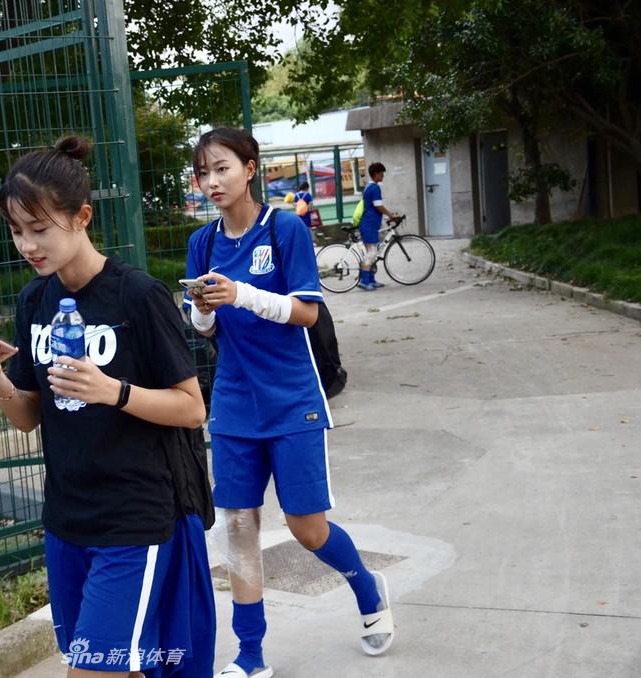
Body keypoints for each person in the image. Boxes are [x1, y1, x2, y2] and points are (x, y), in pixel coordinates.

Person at [0, 135, 216, 677]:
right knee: (118, 665)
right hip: (66, 521)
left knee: (92, 672)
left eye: (40, 229)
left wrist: (112, 390)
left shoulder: (137, 296)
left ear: (82, 217)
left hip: (133, 520)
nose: (27, 245)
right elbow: (27, 416)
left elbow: (191, 409)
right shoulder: (34, 300)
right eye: (17, 230)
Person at [183, 128, 394, 678]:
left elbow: (307, 312)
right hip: (232, 402)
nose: (212, 182)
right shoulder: (203, 242)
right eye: (203, 173)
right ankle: (249, 655)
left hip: (293, 398)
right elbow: (206, 329)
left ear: (250, 169)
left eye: (222, 168)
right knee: (239, 526)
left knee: (307, 528)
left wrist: (242, 294)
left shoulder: (286, 227)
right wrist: (203, 309)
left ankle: (367, 587)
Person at [357, 162, 399, 290]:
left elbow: (373, 207)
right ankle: (364, 281)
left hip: (369, 224)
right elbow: (378, 205)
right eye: (381, 173)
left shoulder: (369, 187)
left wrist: (386, 215)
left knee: (373, 253)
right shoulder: (374, 188)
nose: (383, 176)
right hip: (369, 225)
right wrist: (390, 215)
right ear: (376, 174)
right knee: (371, 253)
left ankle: (371, 280)